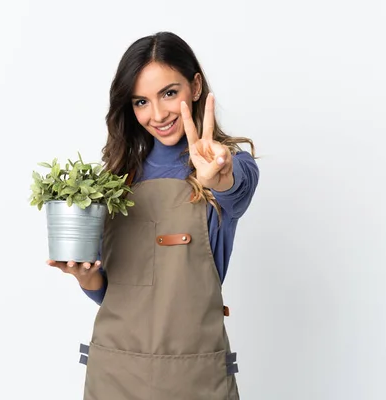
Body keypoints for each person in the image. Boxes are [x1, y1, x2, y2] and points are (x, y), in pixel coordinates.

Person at [47, 31, 258, 400]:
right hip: (115, 375)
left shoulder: (229, 166)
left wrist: (219, 176)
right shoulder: (114, 181)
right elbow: (118, 296)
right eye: (141, 101)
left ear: (195, 86)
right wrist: (88, 278)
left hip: (194, 380)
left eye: (169, 93)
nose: (156, 115)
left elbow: (235, 187)